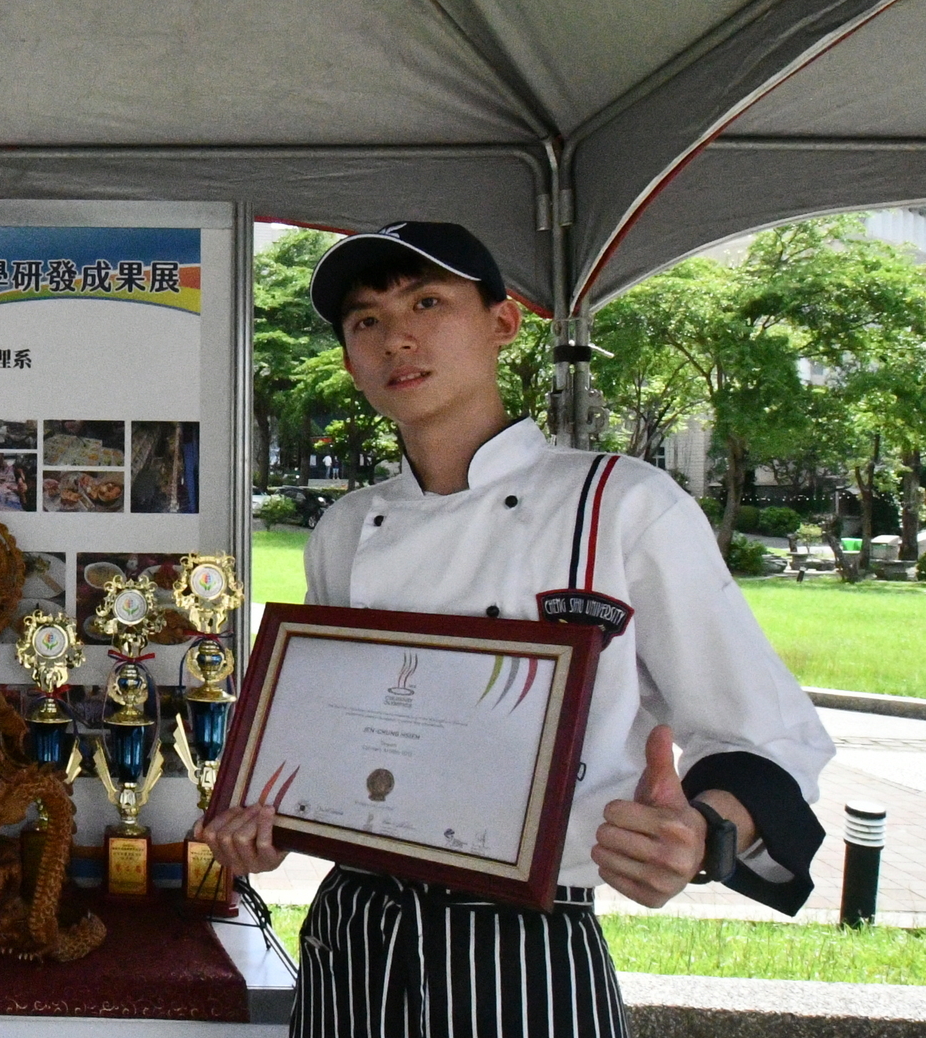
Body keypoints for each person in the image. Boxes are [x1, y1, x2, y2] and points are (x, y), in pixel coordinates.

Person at [199, 223, 833, 1038]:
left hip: (528, 940)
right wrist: (272, 821)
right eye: (366, 320)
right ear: (353, 361)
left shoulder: (620, 503)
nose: (398, 335)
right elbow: (338, 734)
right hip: (351, 933)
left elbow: (771, 735)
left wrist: (706, 832)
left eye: (429, 302)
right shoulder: (347, 528)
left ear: (503, 323)